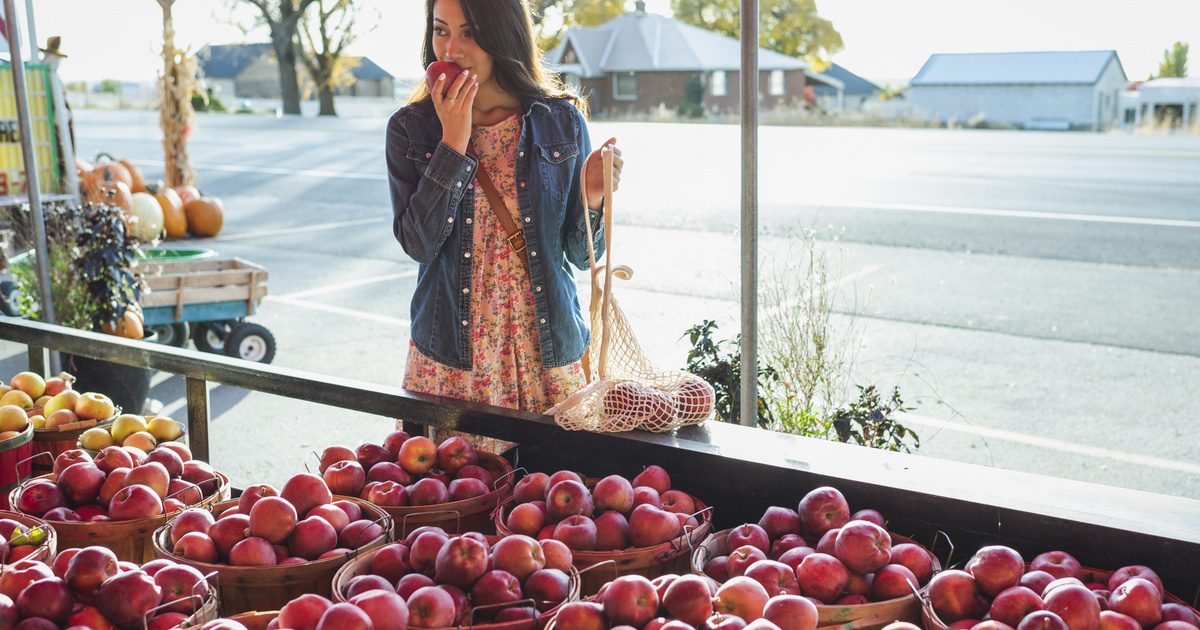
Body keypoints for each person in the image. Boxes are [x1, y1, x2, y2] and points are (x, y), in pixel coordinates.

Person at [386, 0, 624, 449]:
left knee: (554, 503)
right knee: (460, 502)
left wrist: (593, 196)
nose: (451, 48)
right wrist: (452, 145)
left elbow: (578, 252)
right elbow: (418, 244)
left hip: (546, 353)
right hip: (454, 360)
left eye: (469, 32)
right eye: (440, 30)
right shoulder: (411, 129)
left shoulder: (561, 122)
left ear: (504, 35)